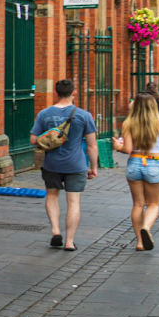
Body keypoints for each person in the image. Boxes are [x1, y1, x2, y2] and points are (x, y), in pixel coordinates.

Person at [29, 79, 99, 251]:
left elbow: (33, 140)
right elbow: (92, 145)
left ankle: (55, 231)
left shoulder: (44, 114)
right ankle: (69, 241)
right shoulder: (84, 115)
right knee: (73, 202)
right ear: (74, 92)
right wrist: (94, 167)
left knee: (52, 197)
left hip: (51, 164)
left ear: (56, 93)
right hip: (75, 164)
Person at [113, 92, 159, 251]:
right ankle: (146, 228)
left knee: (138, 204)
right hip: (155, 164)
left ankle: (140, 242)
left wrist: (117, 147)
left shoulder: (129, 123)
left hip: (135, 163)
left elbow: (127, 149)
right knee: (153, 204)